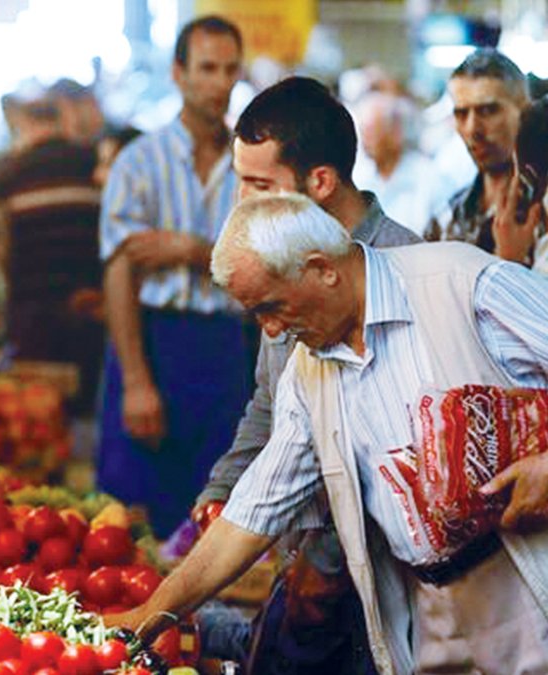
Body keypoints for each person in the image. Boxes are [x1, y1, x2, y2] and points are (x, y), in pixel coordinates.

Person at [107, 192, 548, 674]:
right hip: (431, 609)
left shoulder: (461, 282)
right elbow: (255, 510)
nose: (271, 330)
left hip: (526, 581)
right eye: (256, 315)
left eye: (271, 306)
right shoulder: (308, 370)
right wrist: (151, 615)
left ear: (323, 269)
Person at [190, 76, 423, 673]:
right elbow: (269, 402)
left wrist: (326, 559)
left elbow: (399, 454)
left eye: (260, 185)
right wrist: (225, 488)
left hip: (386, 588)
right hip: (305, 565)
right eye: (240, 181)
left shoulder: (404, 269)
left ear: (320, 181)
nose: (242, 202)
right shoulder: (276, 257)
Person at [98, 15, 252, 536]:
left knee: (216, 512)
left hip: (227, 347)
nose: (220, 83)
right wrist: (136, 381)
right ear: (178, 73)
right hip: (152, 341)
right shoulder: (138, 163)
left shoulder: (250, 166)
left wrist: (190, 250)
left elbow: (263, 267)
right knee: (134, 519)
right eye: (207, 68)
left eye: (230, 69)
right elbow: (120, 273)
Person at [0, 99, 105, 415]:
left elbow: (2, 249)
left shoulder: (11, 172)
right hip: (87, 308)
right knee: (84, 409)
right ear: (61, 121)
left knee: (36, 414)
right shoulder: (91, 162)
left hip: (31, 314)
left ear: (25, 124)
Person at [426, 48, 547, 266]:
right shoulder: (447, 217)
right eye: (461, 114)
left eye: (488, 111)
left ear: (525, 112)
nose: (472, 129)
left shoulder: (542, 210)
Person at [352, 90, 449, 236]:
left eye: (372, 131)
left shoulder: (428, 177)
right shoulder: (361, 177)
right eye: (363, 132)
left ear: (396, 132)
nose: (366, 141)